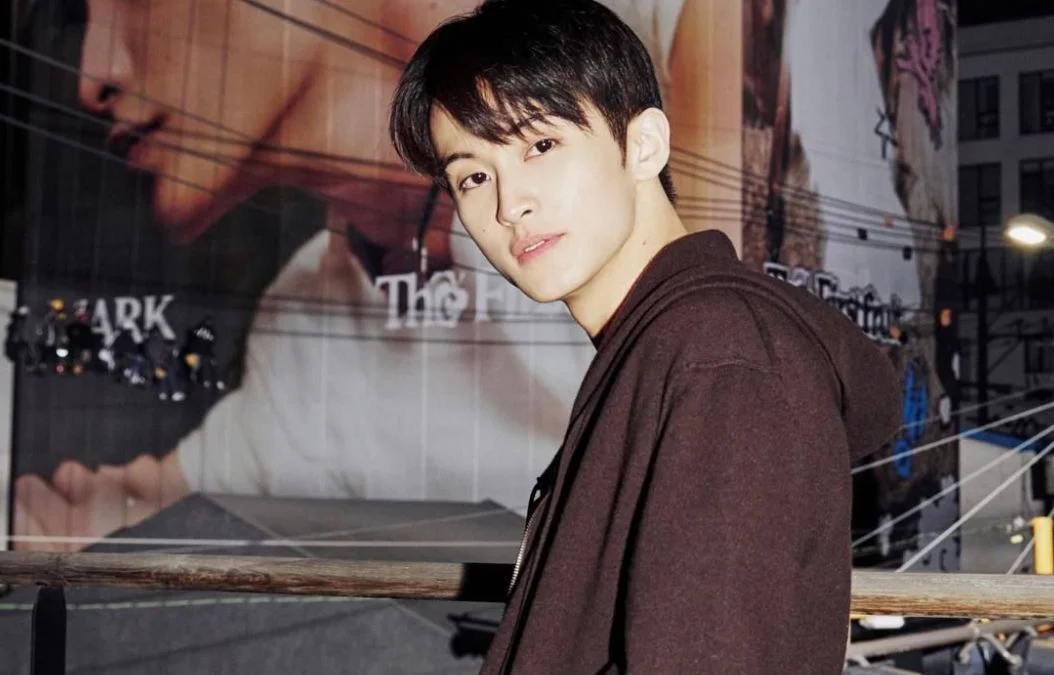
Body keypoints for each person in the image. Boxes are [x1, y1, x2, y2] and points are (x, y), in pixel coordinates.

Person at [13, 0, 729, 549]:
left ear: (645, 143)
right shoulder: (304, 329)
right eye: (472, 177)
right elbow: (145, 506)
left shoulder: (690, 34)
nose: (91, 78)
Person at [389, 1, 902, 672]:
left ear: (644, 145)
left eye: (541, 145)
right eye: (474, 177)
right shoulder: (665, 346)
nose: (510, 205)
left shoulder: (722, 360)